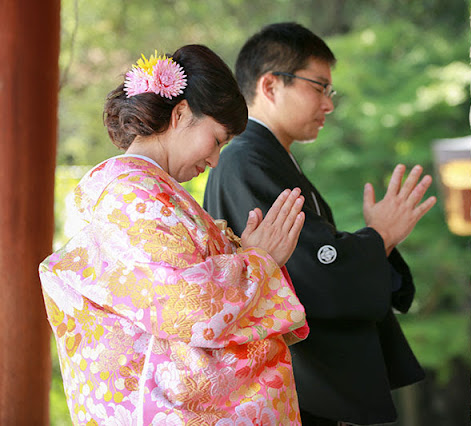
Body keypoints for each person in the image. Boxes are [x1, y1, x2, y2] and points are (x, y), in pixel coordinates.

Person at [39, 44, 311, 425]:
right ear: (181, 113)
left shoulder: (147, 192)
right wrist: (258, 262)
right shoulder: (129, 192)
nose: (215, 160)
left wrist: (247, 256)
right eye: (216, 140)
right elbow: (190, 308)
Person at [204, 23, 437, 425]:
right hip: (283, 388)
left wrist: (376, 242)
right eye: (319, 87)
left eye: (330, 92)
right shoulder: (244, 159)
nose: (329, 104)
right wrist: (377, 237)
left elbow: (308, 257)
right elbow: (308, 268)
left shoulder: (268, 158)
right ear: (271, 86)